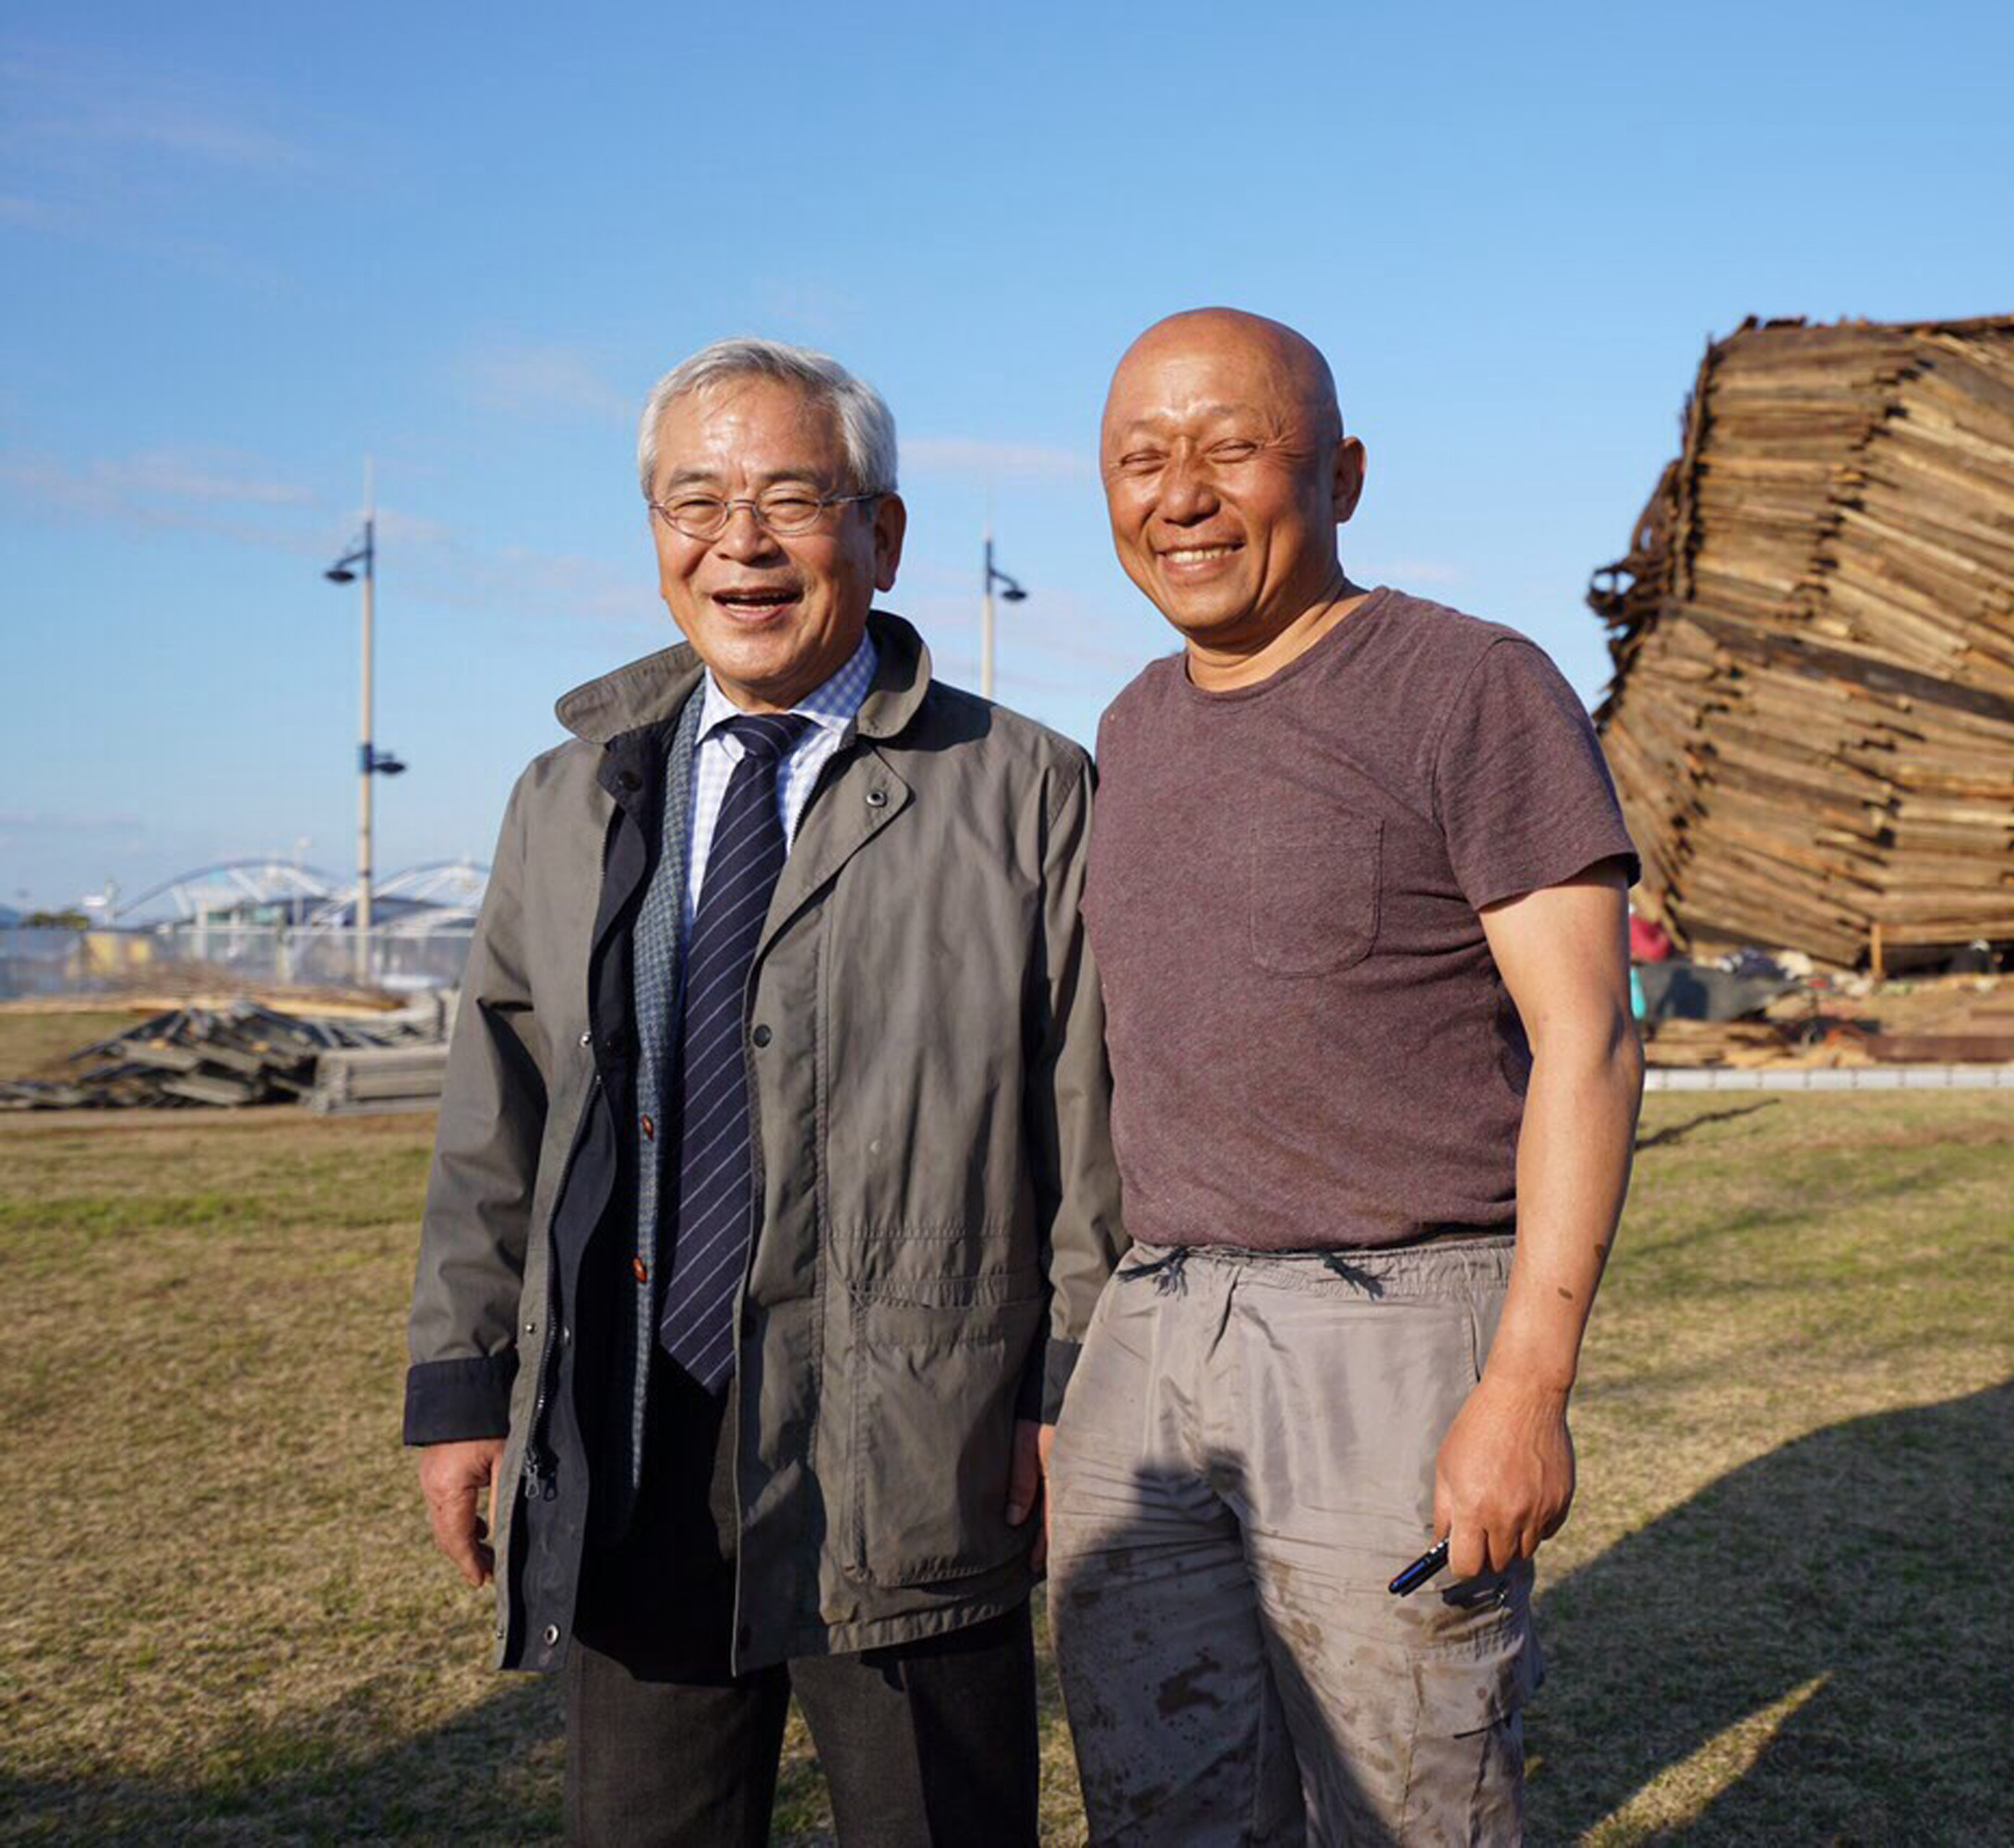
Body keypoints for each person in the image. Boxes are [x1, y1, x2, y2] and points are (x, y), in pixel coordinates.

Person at [402, 338, 1122, 1844]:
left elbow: (1095, 1126)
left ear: (883, 532)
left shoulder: (1028, 790)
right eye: (694, 499)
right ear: (655, 534)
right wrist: (465, 1385)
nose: (739, 539)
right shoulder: (572, 791)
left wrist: (1070, 1390)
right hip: (636, 1431)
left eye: (792, 498)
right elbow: (500, 1116)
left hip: (917, 1448)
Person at [1048, 307, 1645, 1842]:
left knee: (1410, 1799)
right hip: (1157, 1326)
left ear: (1345, 475)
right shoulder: (1129, 725)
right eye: (1139, 457)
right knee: (1157, 1795)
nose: (1179, 492)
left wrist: (1526, 1386)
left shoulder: (1469, 688)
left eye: (1232, 447)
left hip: (1396, 1332)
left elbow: (1589, 1040)